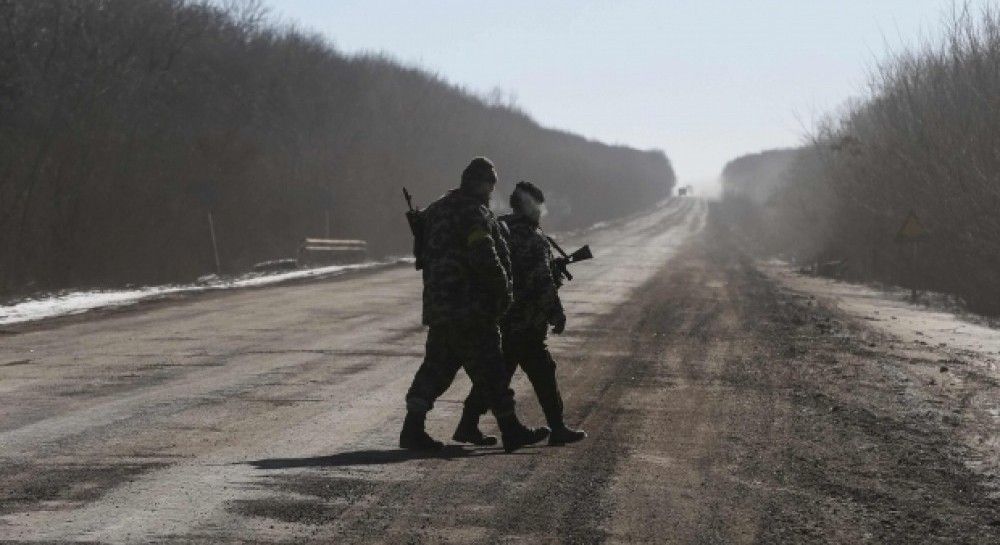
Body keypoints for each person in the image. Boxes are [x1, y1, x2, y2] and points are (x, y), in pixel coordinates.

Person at [400, 158, 549, 452]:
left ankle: (412, 428)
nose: (491, 191)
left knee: (435, 369)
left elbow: (422, 255)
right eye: (490, 184)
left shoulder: (437, 209)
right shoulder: (472, 211)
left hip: (441, 306)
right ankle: (511, 430)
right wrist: (503, 290)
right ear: (481, 183)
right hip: (471, 308)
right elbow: (484, 254)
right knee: (492, 369)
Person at [456, 181, 587, 446]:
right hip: (519, 322)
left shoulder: (513, 230)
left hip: (513, 320)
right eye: (537, 206)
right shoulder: (520, 235)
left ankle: (467, 425)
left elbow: (536, 277)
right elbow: (537, 281)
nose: (540, 212)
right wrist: (554, 311)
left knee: (499, 376)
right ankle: (556, 427)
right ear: (528, 206)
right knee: (532, 373)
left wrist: (552, 306)